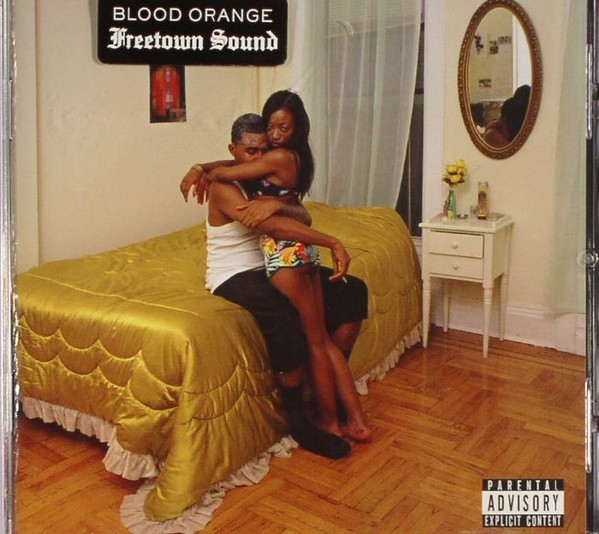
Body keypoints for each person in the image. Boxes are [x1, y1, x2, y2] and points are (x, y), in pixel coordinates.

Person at [181, 113, 369, 458]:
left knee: (351, 291)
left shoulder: (261, 178)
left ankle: (324, 383)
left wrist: (280, 202)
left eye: (263, 151)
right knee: (286, 318)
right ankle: (298, 418)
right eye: (250, 151)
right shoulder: (223, 188)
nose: (259, 158)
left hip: (270, 263)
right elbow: (274, 227)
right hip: (234, 273)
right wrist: (331, 242)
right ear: (234, 150)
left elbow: (301, 214)